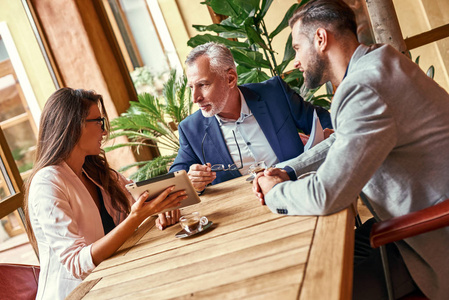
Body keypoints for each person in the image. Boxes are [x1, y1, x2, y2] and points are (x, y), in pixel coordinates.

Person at [252, 1, 449, 299]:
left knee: (318, 290)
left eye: (296, 48)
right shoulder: (377, 61)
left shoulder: (363, 87)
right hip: (413, 220)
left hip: (430, 237)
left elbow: (327, 195)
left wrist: (273, 193)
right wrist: (290, 170)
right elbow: (344, 137)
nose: (295, 61)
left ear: (320, 39)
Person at [23, 88, 186, 300]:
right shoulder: (48, 183)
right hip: (78, 294)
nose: (105, 132)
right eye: (98, 122)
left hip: (114, 282)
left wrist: (162, 208)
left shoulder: (93, 170)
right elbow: (77, 264)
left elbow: (138, 194)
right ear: (73, 127)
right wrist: (138, 216)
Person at [169, 42, 332, 193]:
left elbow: (322, 120)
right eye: (191, 87)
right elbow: (174, 181)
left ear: (230, 78)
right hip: (243, 212)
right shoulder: (191, 129)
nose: (195, 98)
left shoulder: (275, 93)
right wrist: (192, 182)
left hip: (298, 191)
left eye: (203, 85)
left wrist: (329, 135)